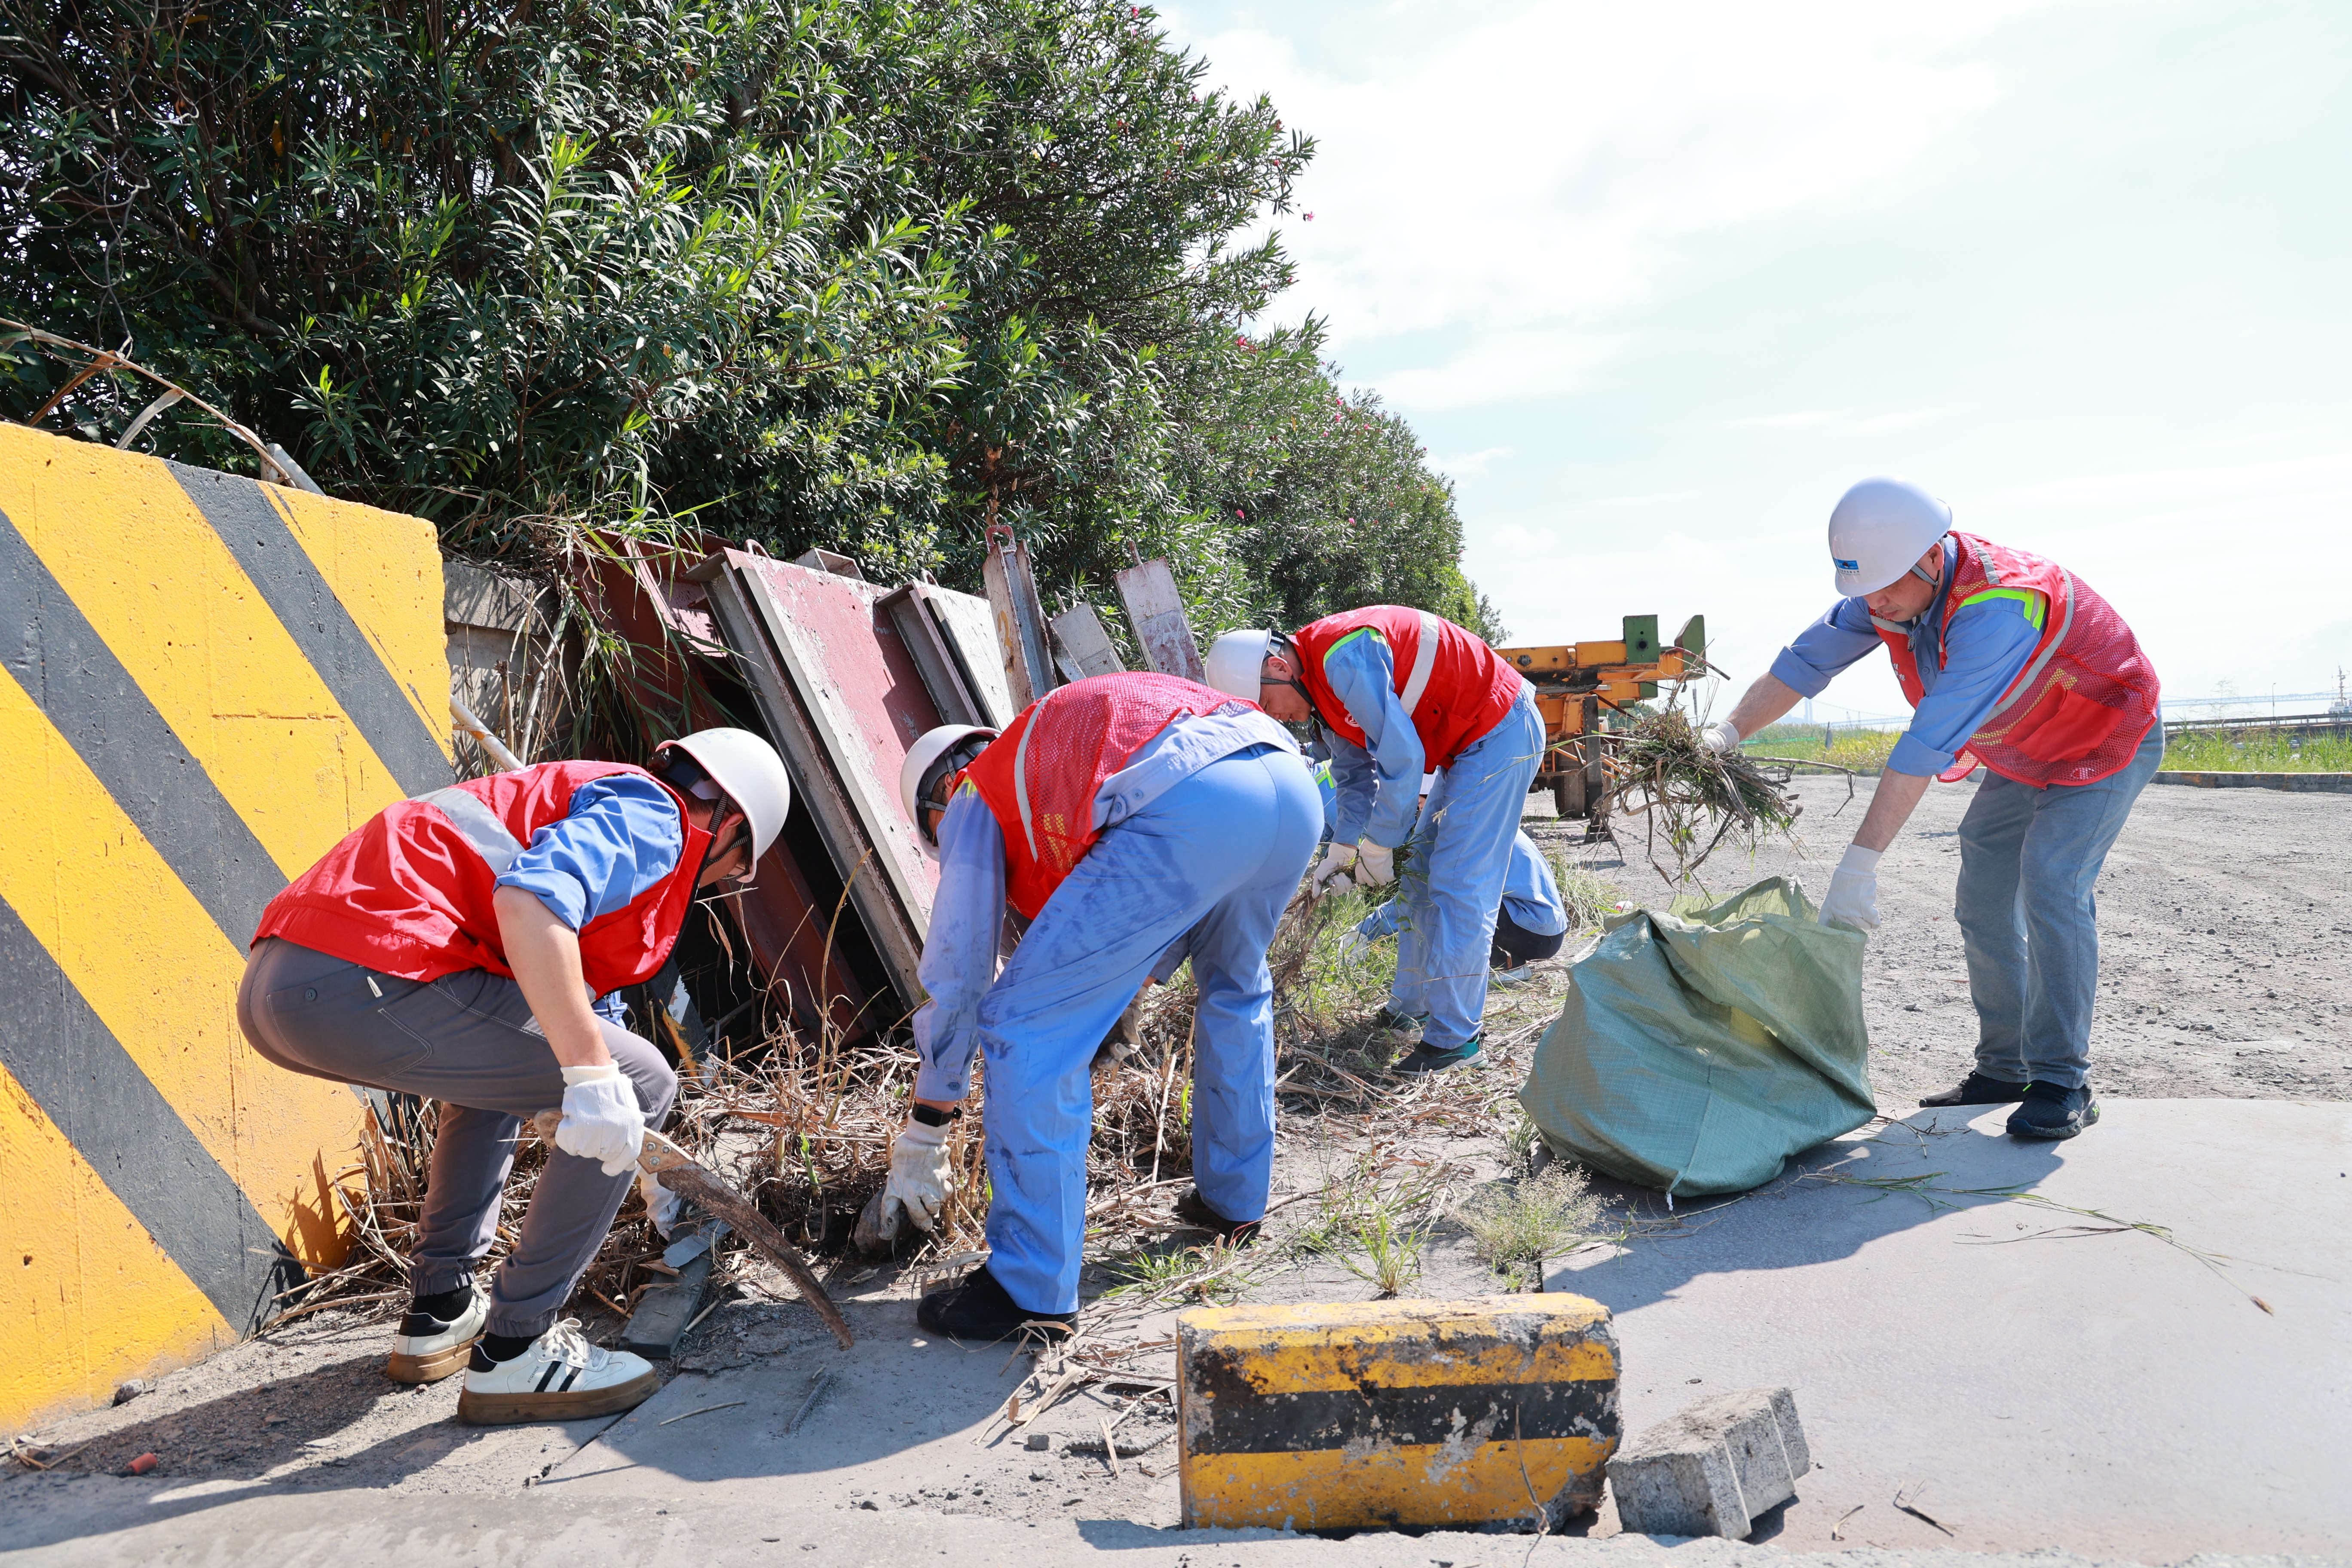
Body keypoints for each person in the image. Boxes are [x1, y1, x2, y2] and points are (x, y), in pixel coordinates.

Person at [236, 730, 792, 1421]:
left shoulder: (577, 798)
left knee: (527, 1060)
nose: (721, 882)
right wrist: (597, 1081)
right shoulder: (655, 816)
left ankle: (439, 1309)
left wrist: (605, 1103)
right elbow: (533, 903)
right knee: (643, 1078)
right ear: (731, 825)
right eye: (737, 868)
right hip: (366, 979)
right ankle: (518, 1350)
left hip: (284, 985)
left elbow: (569, 994)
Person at [1706, 477, 2162, 1139]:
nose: (1876, 603)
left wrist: (1860, 863)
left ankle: (2064, 1080)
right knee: (1982, 893)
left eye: (1886, 586)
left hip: (2105, 738)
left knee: (2053, 881)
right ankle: (2005, 1067)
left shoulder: (2001, 607)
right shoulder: (1887, 591)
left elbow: (1927, 744)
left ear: (1930, 556)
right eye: (1864, 589)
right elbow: (1804, 665)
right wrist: (1724, 735)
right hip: (2028, 749)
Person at [876, 672, 1319, 1344]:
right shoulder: (1048, 765)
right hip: (1286, 782)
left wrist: (929, 1123)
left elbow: (961, 972)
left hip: (1193, 798)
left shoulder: (975, 795)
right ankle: (1234, 1203)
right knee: (1236, 988)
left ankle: (1029, 1290)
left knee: (1023, 1029)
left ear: (939, 797)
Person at [1204, 607, 1544, 1073]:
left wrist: (1379, 846)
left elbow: (1403, 763)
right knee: (1420, 880)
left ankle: (1457, 1041)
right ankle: (1411, 1008)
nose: (1274, 718)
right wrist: (1342, 850)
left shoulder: (1343, 657)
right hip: (1465, 747)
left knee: (1459, 884)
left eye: (1265, 705)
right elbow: (1353, 778)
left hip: (1501, 729)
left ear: (1278, 667)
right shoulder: (1318, 694)